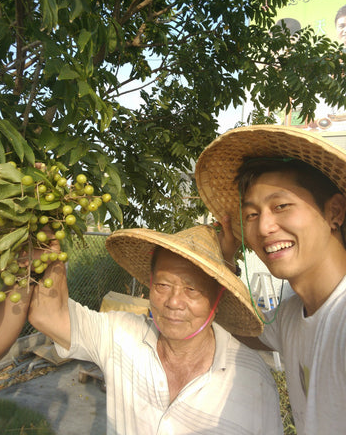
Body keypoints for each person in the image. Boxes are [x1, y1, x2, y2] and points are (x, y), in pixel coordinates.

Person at [28, 224, 283, 435]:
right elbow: (48, 314)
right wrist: (49, 243)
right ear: (149, 284)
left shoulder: (252, 381)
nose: (173, 302)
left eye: (192, 289)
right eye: (162, 285)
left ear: (217, 298)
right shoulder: (120, 334)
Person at [195, 124, 346, 435]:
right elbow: (242, 327)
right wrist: (225, 262)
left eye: (281, 206)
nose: (264, 227)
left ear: (335, 212)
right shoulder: (292, 313)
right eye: (251, 215)